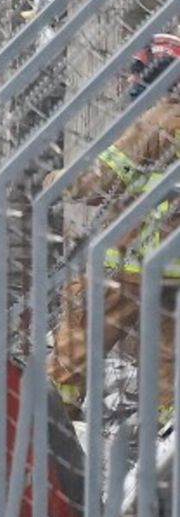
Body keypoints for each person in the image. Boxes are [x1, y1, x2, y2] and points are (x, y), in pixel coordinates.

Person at [49, 33, 180, 414]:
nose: (129, 80)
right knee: (166, 355)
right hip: (172, 266)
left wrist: (53, 182)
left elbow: (98, 181)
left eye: (136, 71)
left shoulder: (159, 120)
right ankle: (163, 437)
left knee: (79, 329)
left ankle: (54, 413)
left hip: (131, 257)